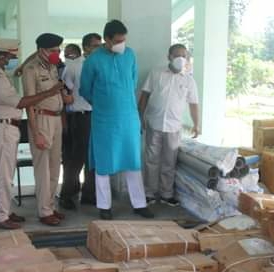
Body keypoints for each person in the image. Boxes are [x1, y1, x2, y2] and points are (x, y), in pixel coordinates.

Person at [0, 38, 63, 230]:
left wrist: (39, 52)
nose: (14, 60)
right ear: (2, 57)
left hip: (8, 127)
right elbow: (21, 102)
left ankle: (6, 211)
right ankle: (0, 217)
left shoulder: (0, 70)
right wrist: (50, 92)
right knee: (3, 175)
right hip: (2, 127)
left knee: (7, 173)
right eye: (12, 56)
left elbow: (19, 69)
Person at [80, 20, 153, 220]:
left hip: (129, 117)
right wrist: (103, 103)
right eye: (118, 41)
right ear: (107, 39)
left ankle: (139, 204)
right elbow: (85, 89)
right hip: (104, 120)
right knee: (103, 164)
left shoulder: (130, 55)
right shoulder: (93, 60)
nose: (122, 44)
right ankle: (104, 206)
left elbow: (133, 82)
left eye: (124, 40)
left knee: (133, 162)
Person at [138, 43, 200, 206]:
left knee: (169, 162)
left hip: (174, 127)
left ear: (187, 58)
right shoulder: (156, 73)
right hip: (154, 123)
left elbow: (194, 104)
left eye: (184, 56)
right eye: (177, 55)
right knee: (151, 160)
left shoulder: (189, 80)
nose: (180, 59)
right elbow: (144, 95)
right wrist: (140, 116)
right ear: (169, 57)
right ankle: (149, 193)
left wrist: (197, 124)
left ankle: (166, 194)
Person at [22, 32, 71, 226]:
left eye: (58, 50)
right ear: (41, 50)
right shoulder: (31, 69)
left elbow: (57, 93)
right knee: (43, 169)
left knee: (54, 167)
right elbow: (28, 102)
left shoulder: (52, 67)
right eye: (52, 50)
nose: (56, 53)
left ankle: (50, 205)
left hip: (56, 119)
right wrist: (35, 133)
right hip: (41, 119)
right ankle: (44, 211)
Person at [58, 33, 101, 210]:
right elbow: (64, 90)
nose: (99, 49)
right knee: (77, 158)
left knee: (94, 158)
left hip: (98, 116)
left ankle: (89, 193)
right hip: (81, 116)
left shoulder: (101, 64)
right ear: (86, 48)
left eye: (100, 45)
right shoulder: (75, 66)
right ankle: (67, 194)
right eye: (95, 46)